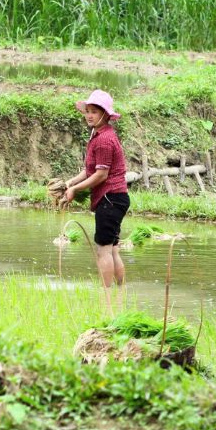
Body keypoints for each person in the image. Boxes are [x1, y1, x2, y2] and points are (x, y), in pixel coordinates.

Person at [58, 90, 131, 307]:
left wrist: (74, 191)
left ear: (105, 114)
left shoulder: (104, 140)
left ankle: (105, 297)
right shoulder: (97, 136)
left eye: (94, 111)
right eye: (87, 111)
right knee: (113, 249)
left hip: (110, 199)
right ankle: (121, 294)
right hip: (115, 198)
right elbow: (89, 171)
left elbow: (101, 175)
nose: (89, 115)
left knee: (103, 251)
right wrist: (70, 183)